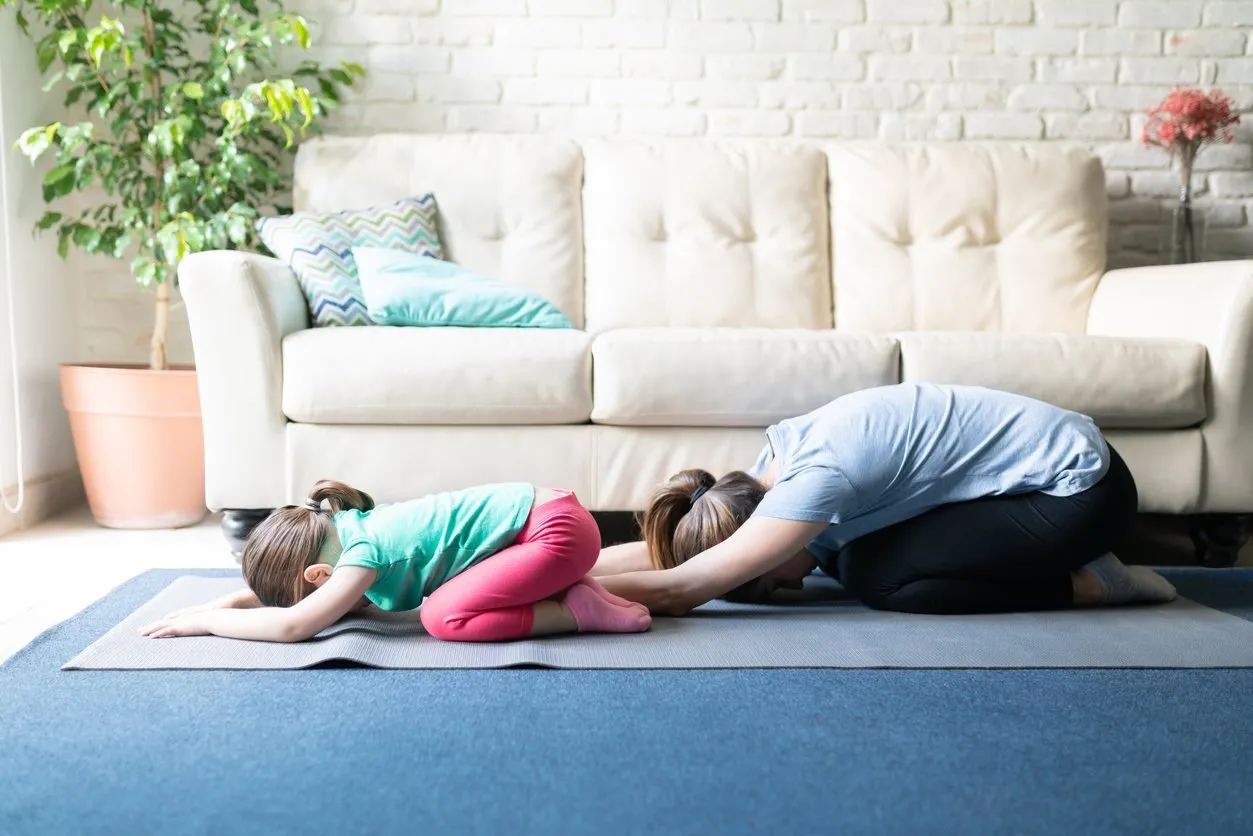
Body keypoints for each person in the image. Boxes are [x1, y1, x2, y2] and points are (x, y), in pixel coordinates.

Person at [593, 383, 1178, 617]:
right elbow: (672, 555)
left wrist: (535, 593)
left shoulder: (817, 480)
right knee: (849, 556)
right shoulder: (754, 481)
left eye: (771, 581)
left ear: (761, 544)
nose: (793, 586)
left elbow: (682, 586)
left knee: (879, 579)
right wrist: (528, 556)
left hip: (1083, 494)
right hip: (1042, 480)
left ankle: (1094, 583)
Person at [141, 481, 651, 642]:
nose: (342, 603)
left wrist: (209, 622)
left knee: (442, 616)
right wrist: (234, 599)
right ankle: (576, 592)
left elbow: (295, 626)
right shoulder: (349, 528)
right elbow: (303, 599)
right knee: (450, 601)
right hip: (553, 516)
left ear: (321, 576)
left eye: (325, 592)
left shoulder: (362, 556)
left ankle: (578, 612)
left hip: (556, 535)